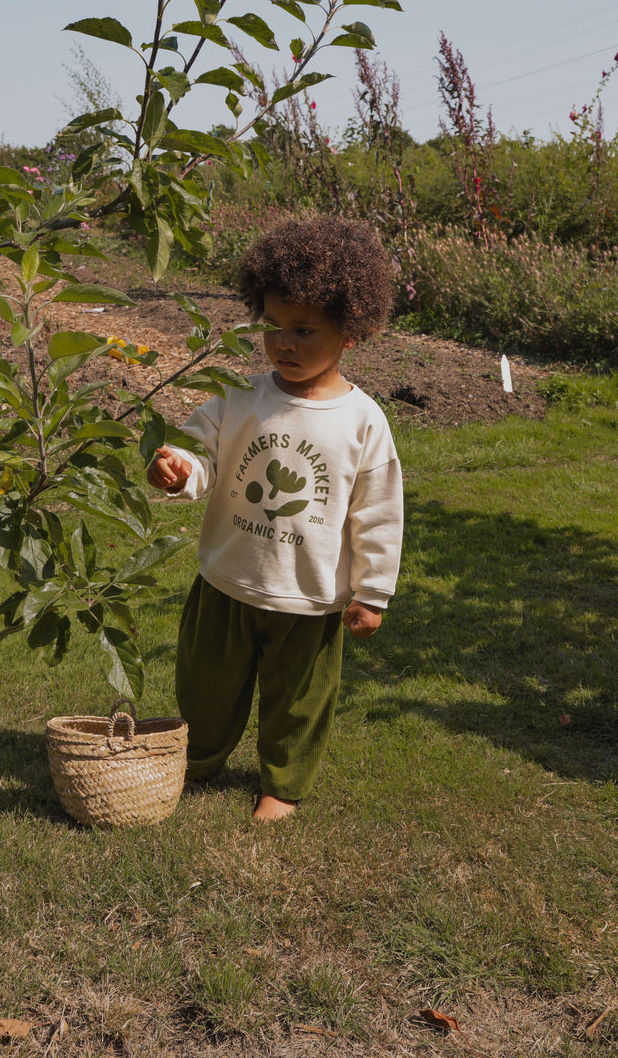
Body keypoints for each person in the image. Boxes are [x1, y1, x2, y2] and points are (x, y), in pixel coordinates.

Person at [147, 216, 403, 821]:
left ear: (352, 333)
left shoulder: (361, 421)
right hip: (228, 579)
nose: (284, 342)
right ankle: (199, 757)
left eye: (305, 330)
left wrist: (372, 592)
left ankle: (281, 784)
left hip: (309, 599)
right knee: (205, 687)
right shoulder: (239, 394)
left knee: (298, 701)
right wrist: (181, 466)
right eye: (273, 326)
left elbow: (378, 510)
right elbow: (203, 446)